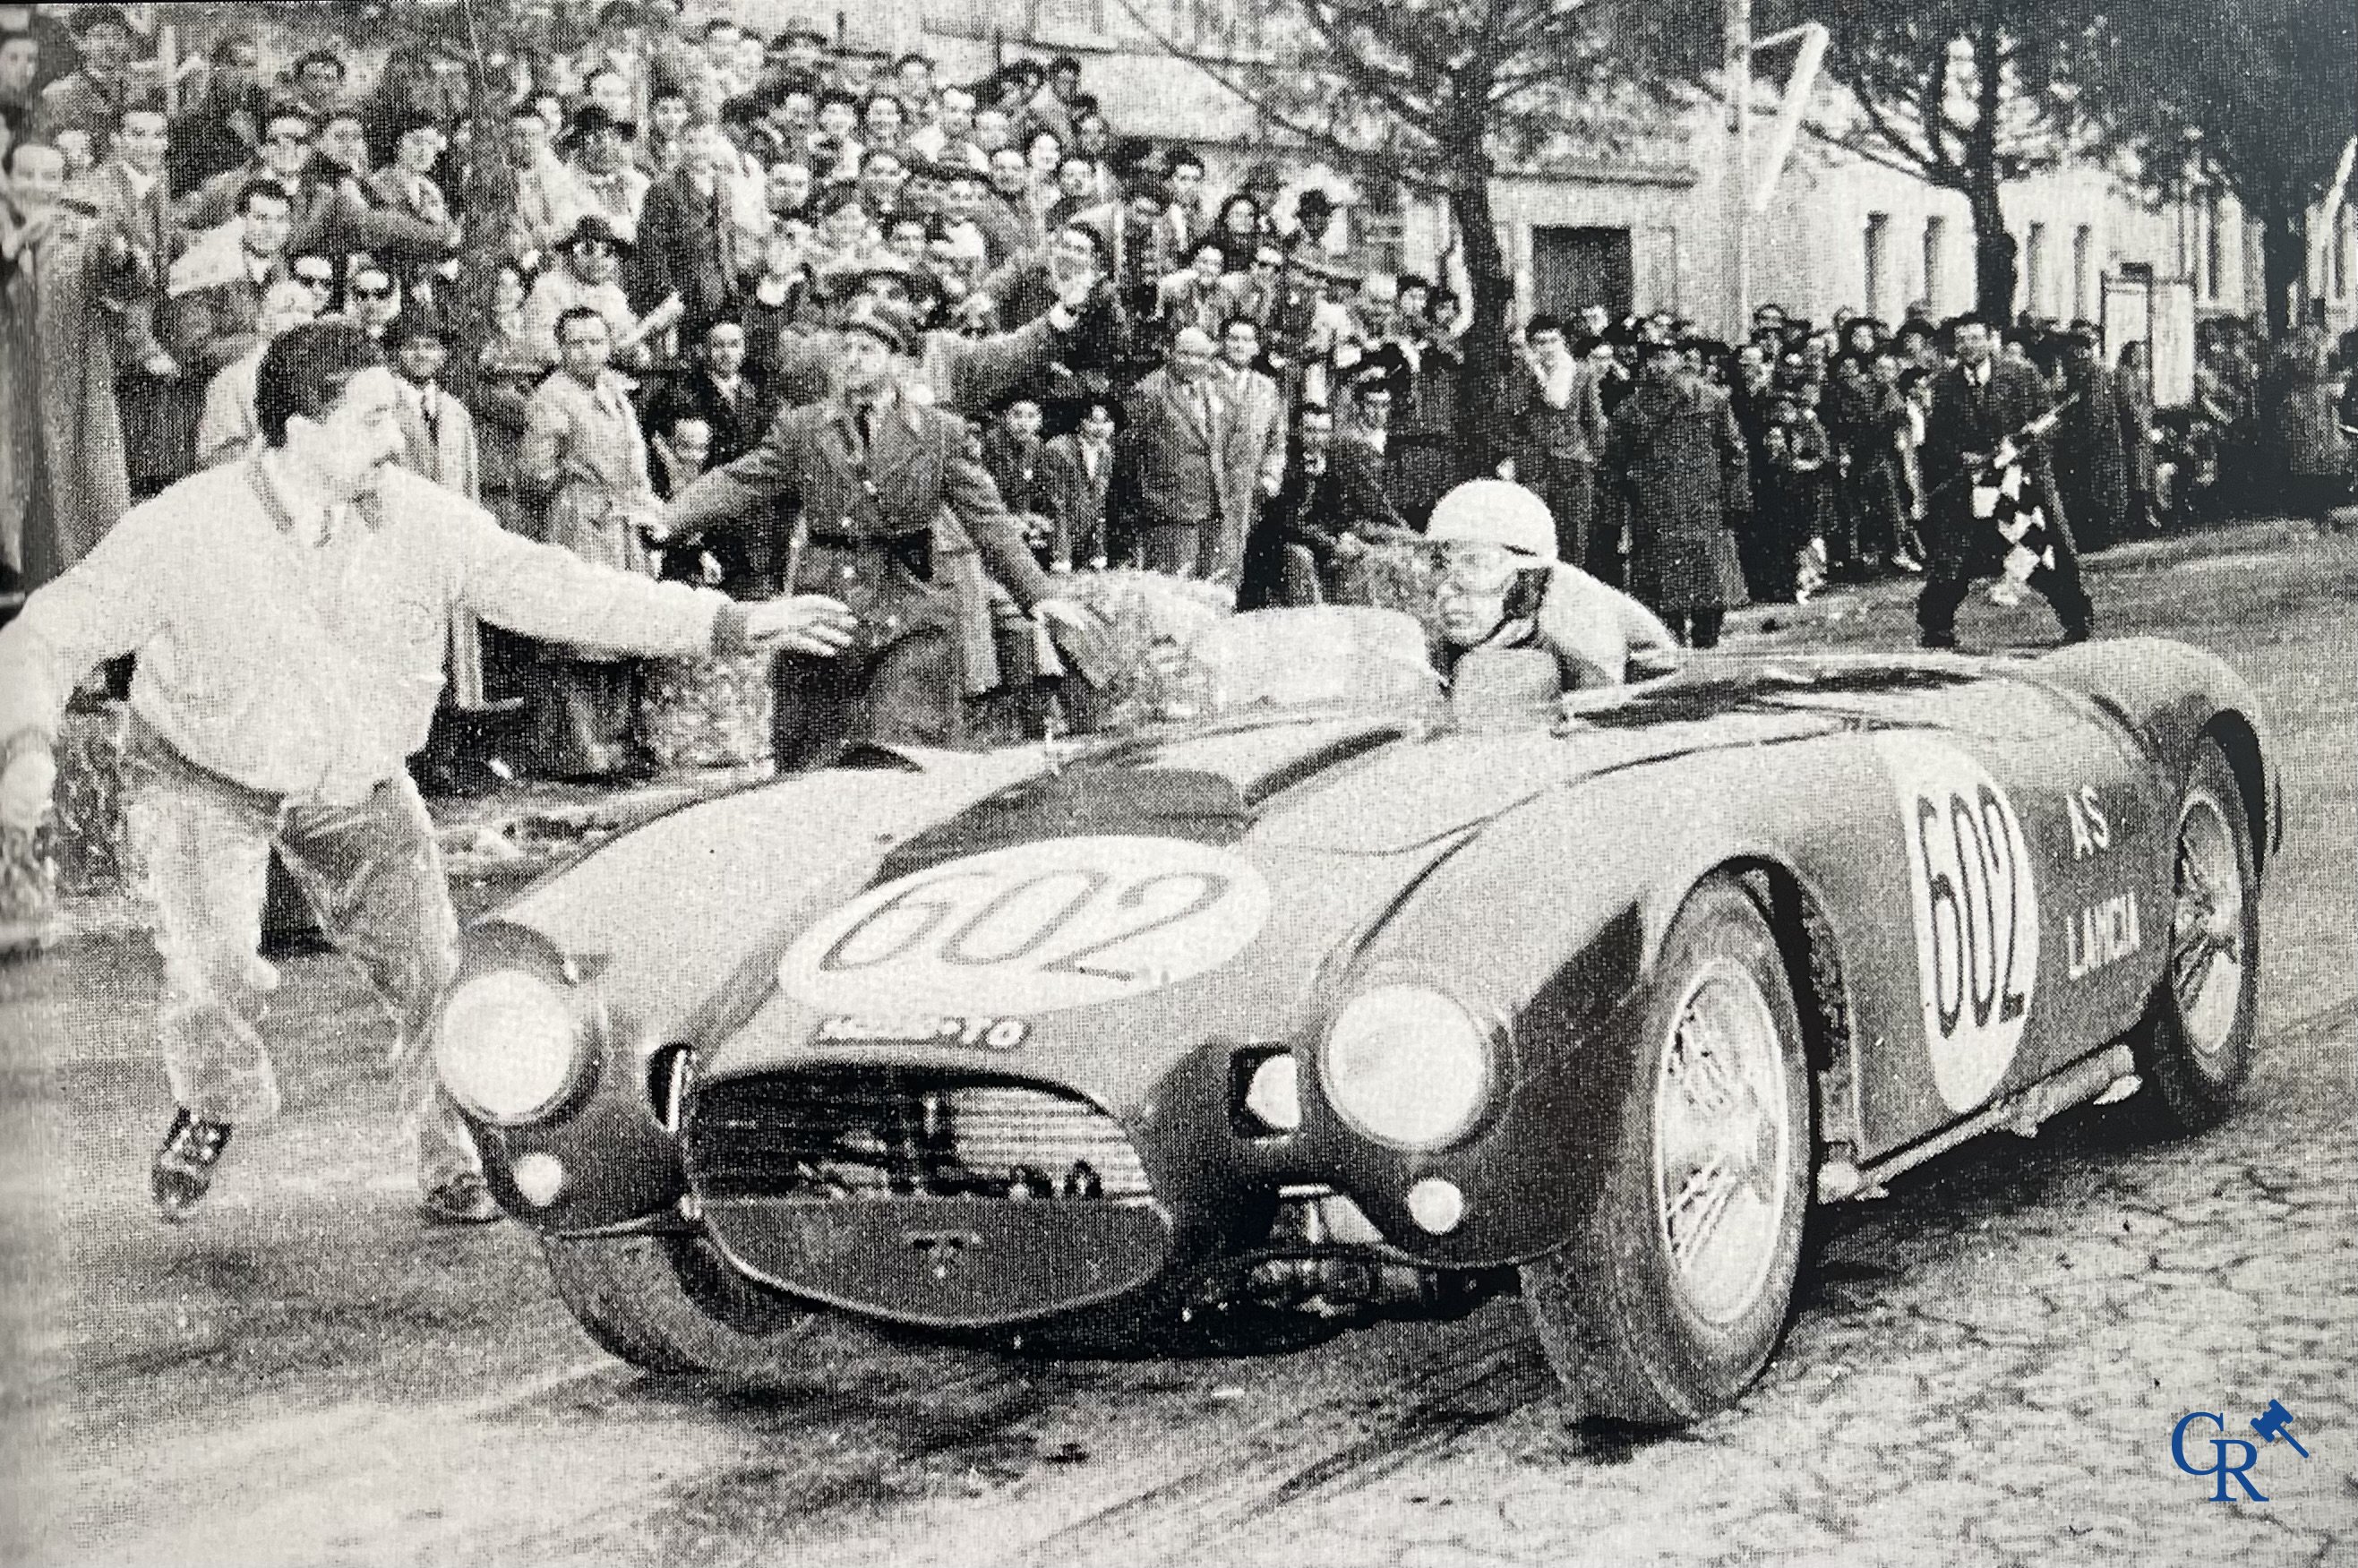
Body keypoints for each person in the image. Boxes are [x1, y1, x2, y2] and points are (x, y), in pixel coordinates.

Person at [0, 320, 855, 1226]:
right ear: (298, 430)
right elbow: (45, 635)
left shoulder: (418, 516)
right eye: (372, 419)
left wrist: (728, 622)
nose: (396, 439)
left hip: (354, 778)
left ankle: (453, 1158)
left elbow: (552, 585)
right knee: (210, 973)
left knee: (435, 977)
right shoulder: (185, 526)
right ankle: (213, 1099)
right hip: (205, 773)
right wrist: (23, 748)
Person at [659, 296, 1102, 770]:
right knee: (808, 764)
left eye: (867, 349)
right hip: (826, 608)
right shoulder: (802, 429)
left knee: (902, 753)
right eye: (846, 348)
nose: (852, 359)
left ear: (898, 361)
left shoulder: (939, 433)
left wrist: (1037, 593)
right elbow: (737, 481)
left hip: (909, 607)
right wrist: (669, 519)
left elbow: (986, 518)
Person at [516, 305, 669, 781]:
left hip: (621, 523)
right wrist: (572, 480)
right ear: (561, 348)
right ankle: (582, 751)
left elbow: (635, 463)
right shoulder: (552, 398)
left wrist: (647, 513)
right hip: (579, 522)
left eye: (596, 342)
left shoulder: (615, 392)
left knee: (623, 631)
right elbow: (534, 475)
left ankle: (622, 743)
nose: (587, 352)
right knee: (582, 635)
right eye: (576, 343)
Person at [1915, 314, 2092, 648]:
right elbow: (1936, 439)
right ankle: (1936, 627)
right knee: (1954, 557)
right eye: (1962, 339)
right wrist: (1960, 457)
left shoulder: (2021, 375)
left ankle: (2075, 618)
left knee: (2044, 549)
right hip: (1972, 485)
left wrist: (2023, 449)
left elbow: (2051, 424)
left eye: (1976, 338)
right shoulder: (1943, 386)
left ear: (1990, 339)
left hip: (2021, 481)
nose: (1969, 346)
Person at [1423, 479, 1681, 693]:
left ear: (1530, 579)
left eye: (1475, 563)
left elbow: (1599, 723)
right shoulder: (1458, 627)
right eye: (1437, 565)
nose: (1447, 589)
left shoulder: (1578, 623)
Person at [1604, 338, 1751, 649]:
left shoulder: (1709, 399)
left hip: (1705, 503)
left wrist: (1735, 500)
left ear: (1678, 359)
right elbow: (1614, 465)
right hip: (1654, 507)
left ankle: (1706, 642)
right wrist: (1617, 509)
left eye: (1665, 357)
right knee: (1661, 590)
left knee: (1709, 585)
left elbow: (1734, 451)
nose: (1659, 365)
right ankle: (1671, 644)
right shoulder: (1630, 410)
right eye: (1652, 359)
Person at [1501, 313, 1608, 576]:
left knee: (1573, 539)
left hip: (1573, 466)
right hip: (1535, 467)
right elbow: (1509, 410)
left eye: (1553, 341)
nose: (1548, 348)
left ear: (1562, 342)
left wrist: (1592, 457)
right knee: (1534, 538)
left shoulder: (1580, 373)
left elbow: (1593, 421)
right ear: (1531, 346)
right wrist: (1531, 371)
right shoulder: (1523, 374)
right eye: (1540, 342)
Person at [1119, 324, 1229, 577]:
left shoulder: (1210, 388)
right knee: (1174, 590)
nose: (1193, 362)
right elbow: (1129, 453)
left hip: (1210, 505)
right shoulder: (1149, 391)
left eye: (1201, 356)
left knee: (1204, 588)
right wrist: (1151, 500)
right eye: (1186, 354)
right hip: (1169, 510)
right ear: (1170, 352)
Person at [192, 277, 314, 468]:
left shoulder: (322, 376)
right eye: (286, 310)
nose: (297, 319)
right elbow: (216, 457)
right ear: (262, 321)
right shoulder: (231, 380)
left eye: (304, 311)